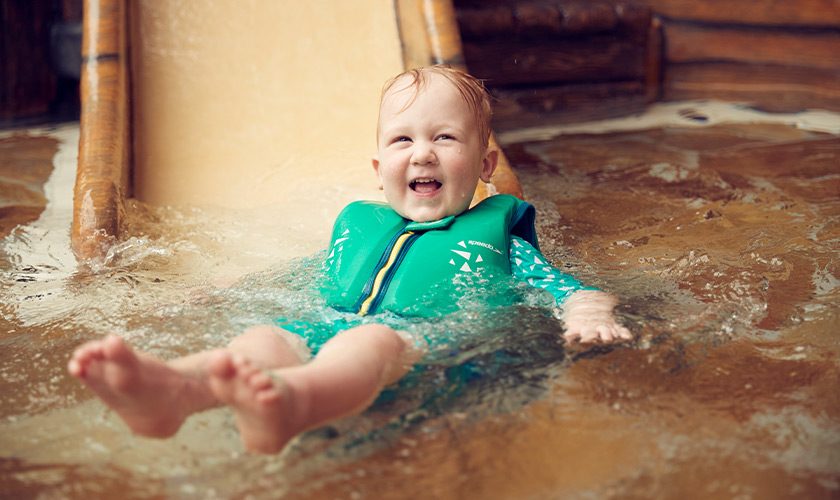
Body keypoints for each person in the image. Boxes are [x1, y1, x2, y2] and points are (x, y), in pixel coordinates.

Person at [68, 66, 632, 455]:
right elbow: (315, 270)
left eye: (444, 137)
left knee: (364, 343)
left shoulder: (501, 238)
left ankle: (292, 404)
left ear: (485, 165)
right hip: (325, 321)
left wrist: (586, 313)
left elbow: (564, 286)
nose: (422, 152)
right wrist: (238, 284)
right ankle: (173, 393)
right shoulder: (362, 225)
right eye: (402, 141)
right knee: (262, 341)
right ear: (377, 165)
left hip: (427, 344)